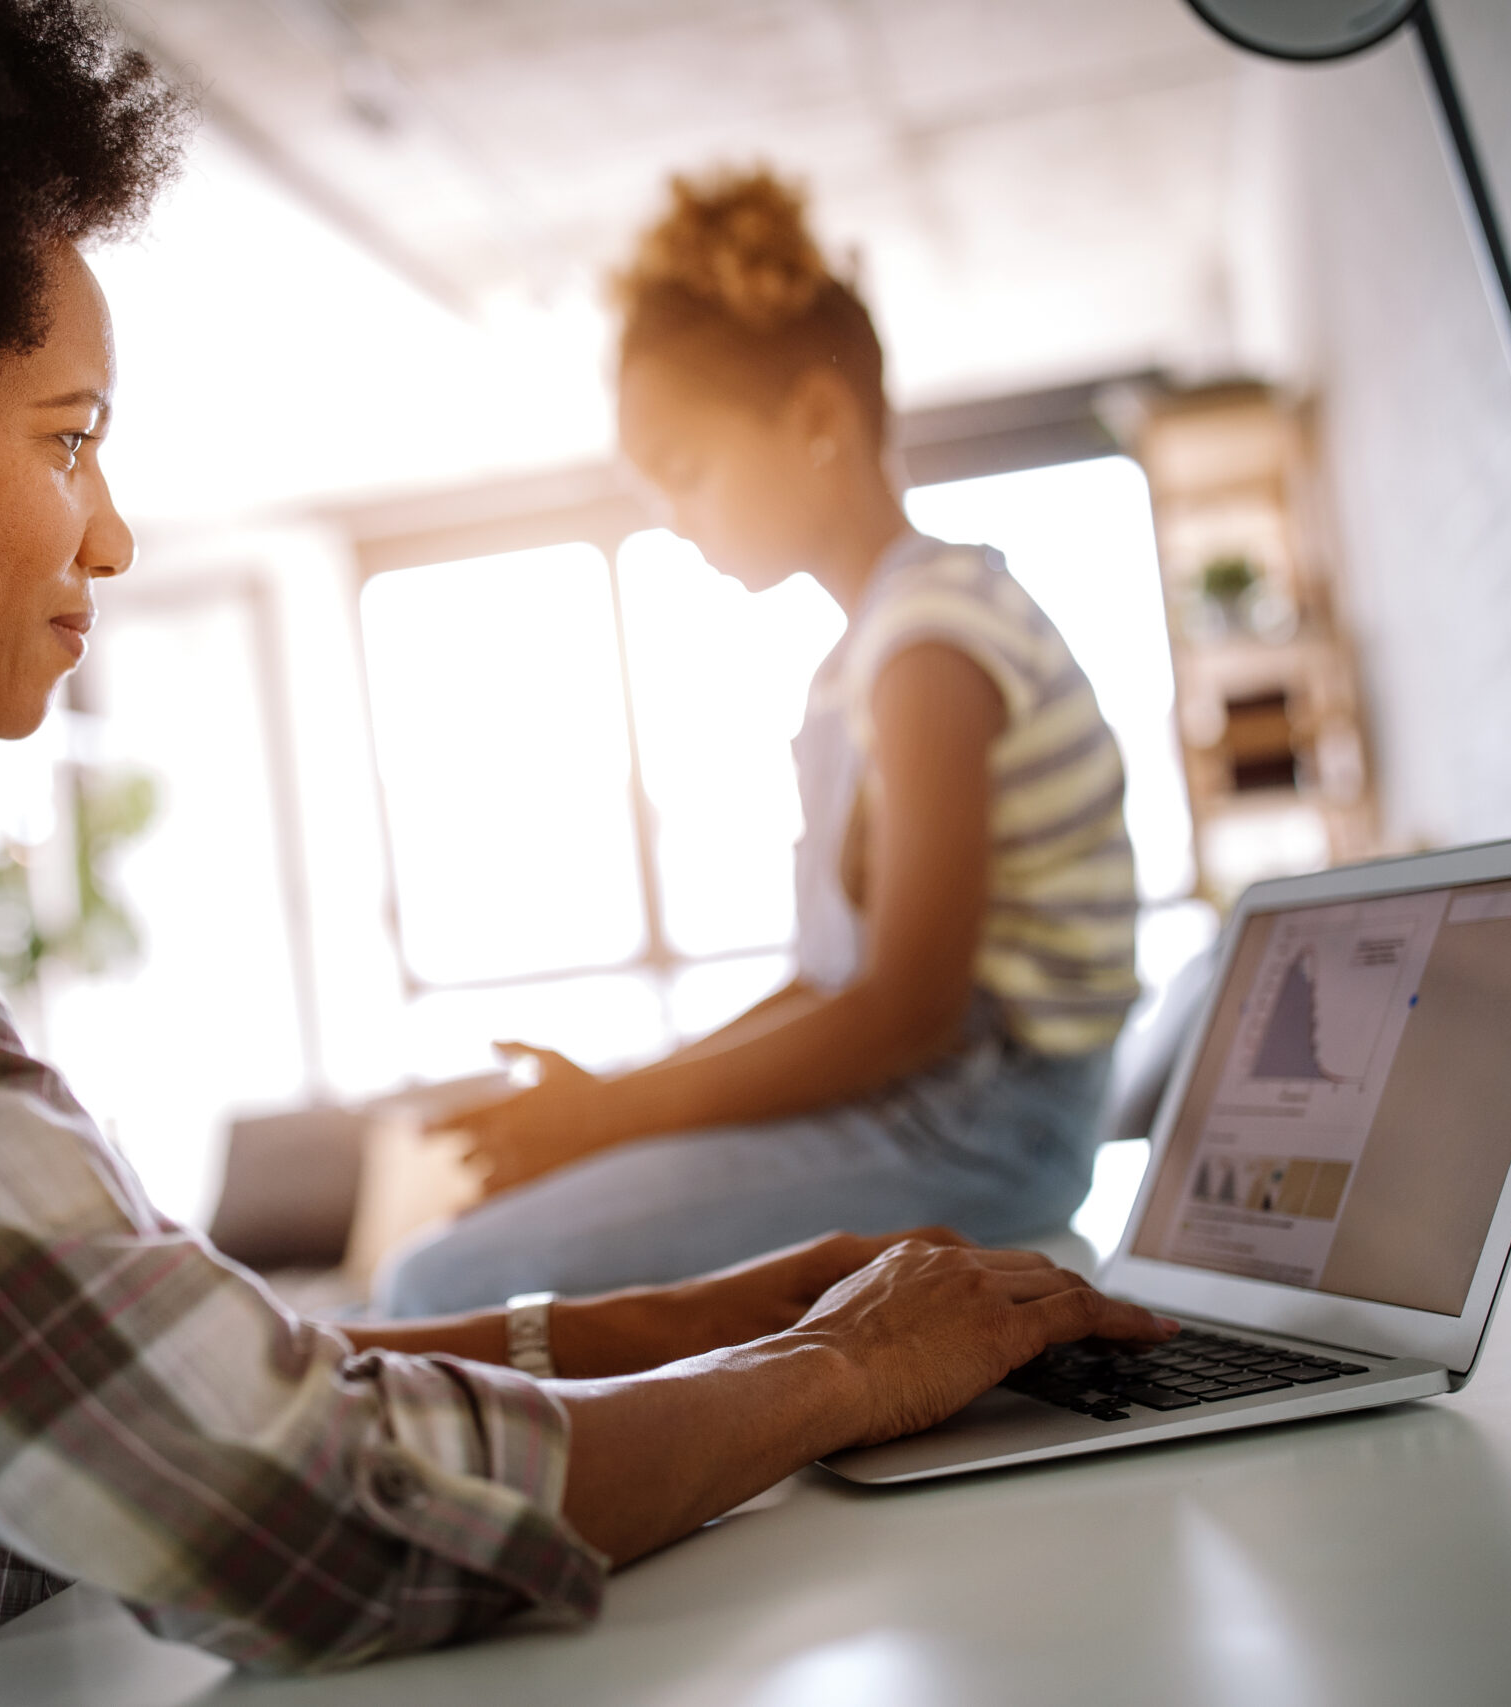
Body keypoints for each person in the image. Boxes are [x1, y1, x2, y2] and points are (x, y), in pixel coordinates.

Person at [0, 8, 1171, 1700]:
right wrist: (848, 1377)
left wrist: (710, 1313)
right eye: (68, 438)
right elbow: (271, 1501)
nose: (112, 536)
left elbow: (140, 1371)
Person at [377, 169, 1141, 1318]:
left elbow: (905, 1014)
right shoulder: (866, 659)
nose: (672, 518)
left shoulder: (932, 643)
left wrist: (616, 1117)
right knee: (453, 1265)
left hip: (983, 1136)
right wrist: (617, 1100)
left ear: (818, 421)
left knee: (444, 1282)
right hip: (921, 1109)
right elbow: (828, 987)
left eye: (684, 471)